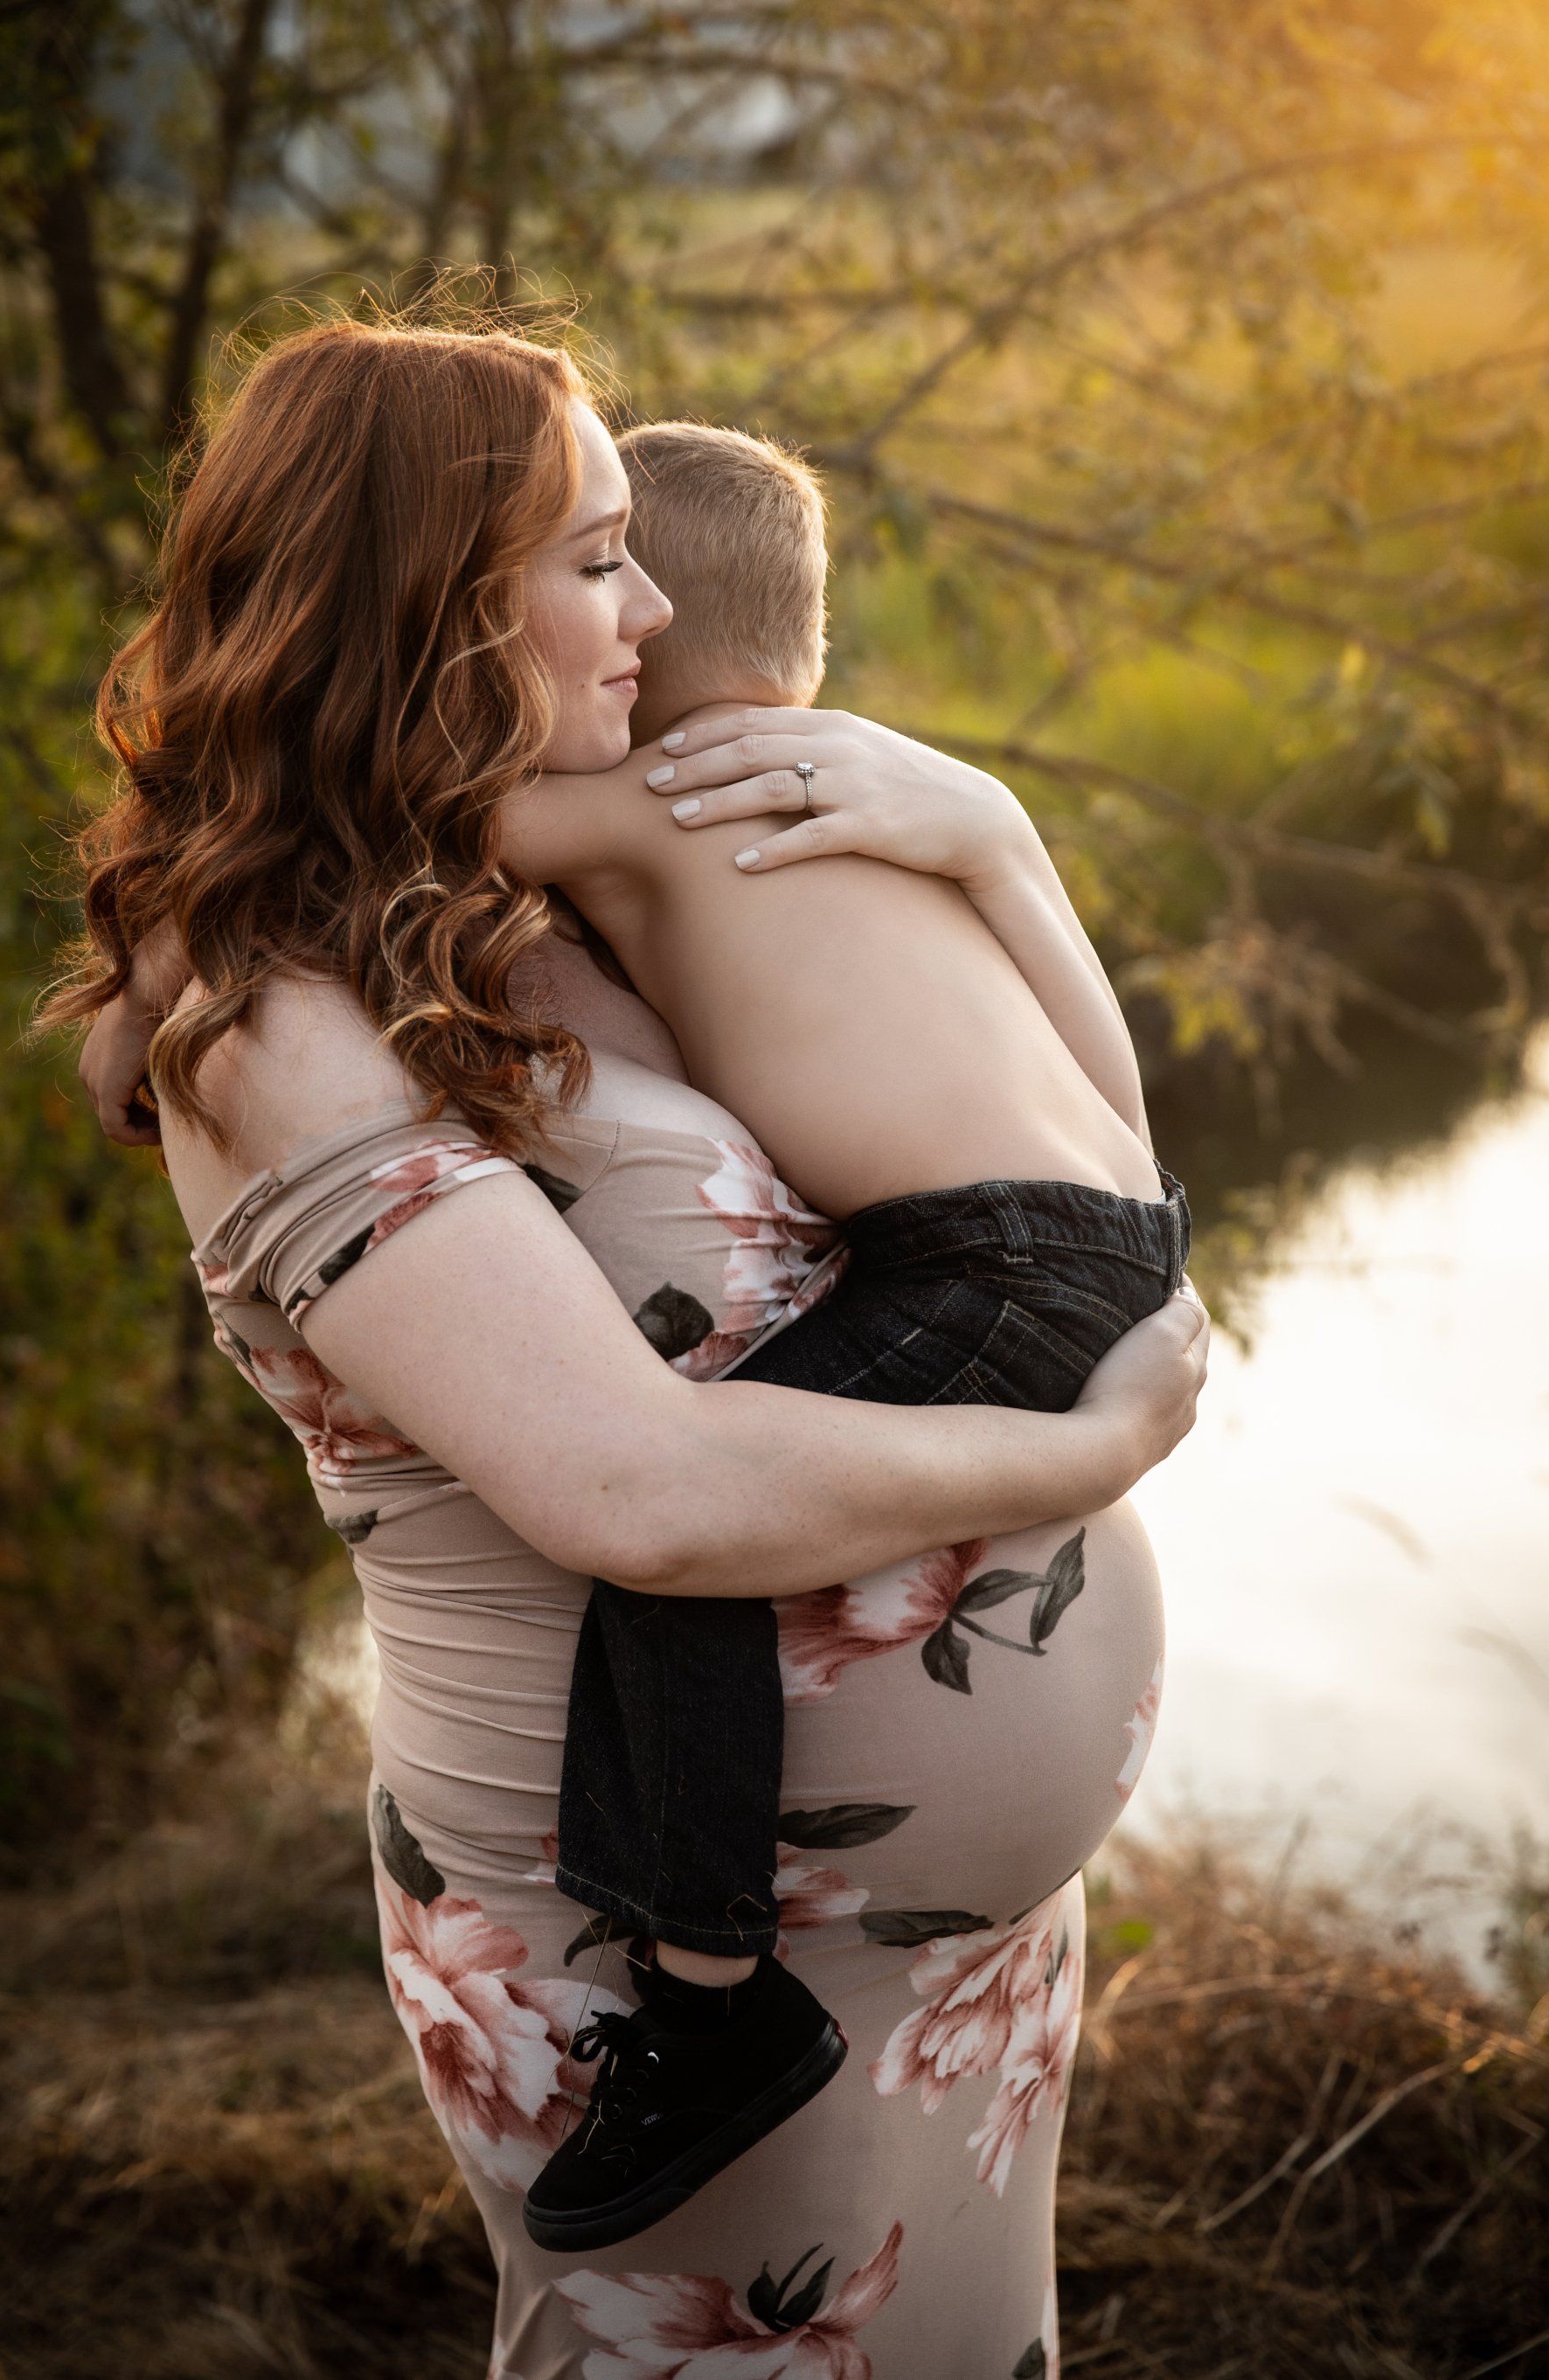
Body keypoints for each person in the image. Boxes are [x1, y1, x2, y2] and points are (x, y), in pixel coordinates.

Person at [66, 311, 1206, 2379]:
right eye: (596, 556)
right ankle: (705, 1994)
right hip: (653, 1962)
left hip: (935, 1964)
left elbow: (1095, 1160)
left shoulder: (566, 890)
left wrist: (990, 832)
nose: (656, 609)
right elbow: (647, 1495)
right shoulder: (275, 1012)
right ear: (416, 601)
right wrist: (1091, 1453)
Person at [483, 423, 1188, 2253]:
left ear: (635, 651)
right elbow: (1123, 1129)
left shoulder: (654, 800)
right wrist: (1003, 828)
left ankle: (718, 2009)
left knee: (696, 1532)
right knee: (722, 1499)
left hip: (989, 1265)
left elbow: (379, 831)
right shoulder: (878, 817)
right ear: (803, 646)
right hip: (1101, 1231)